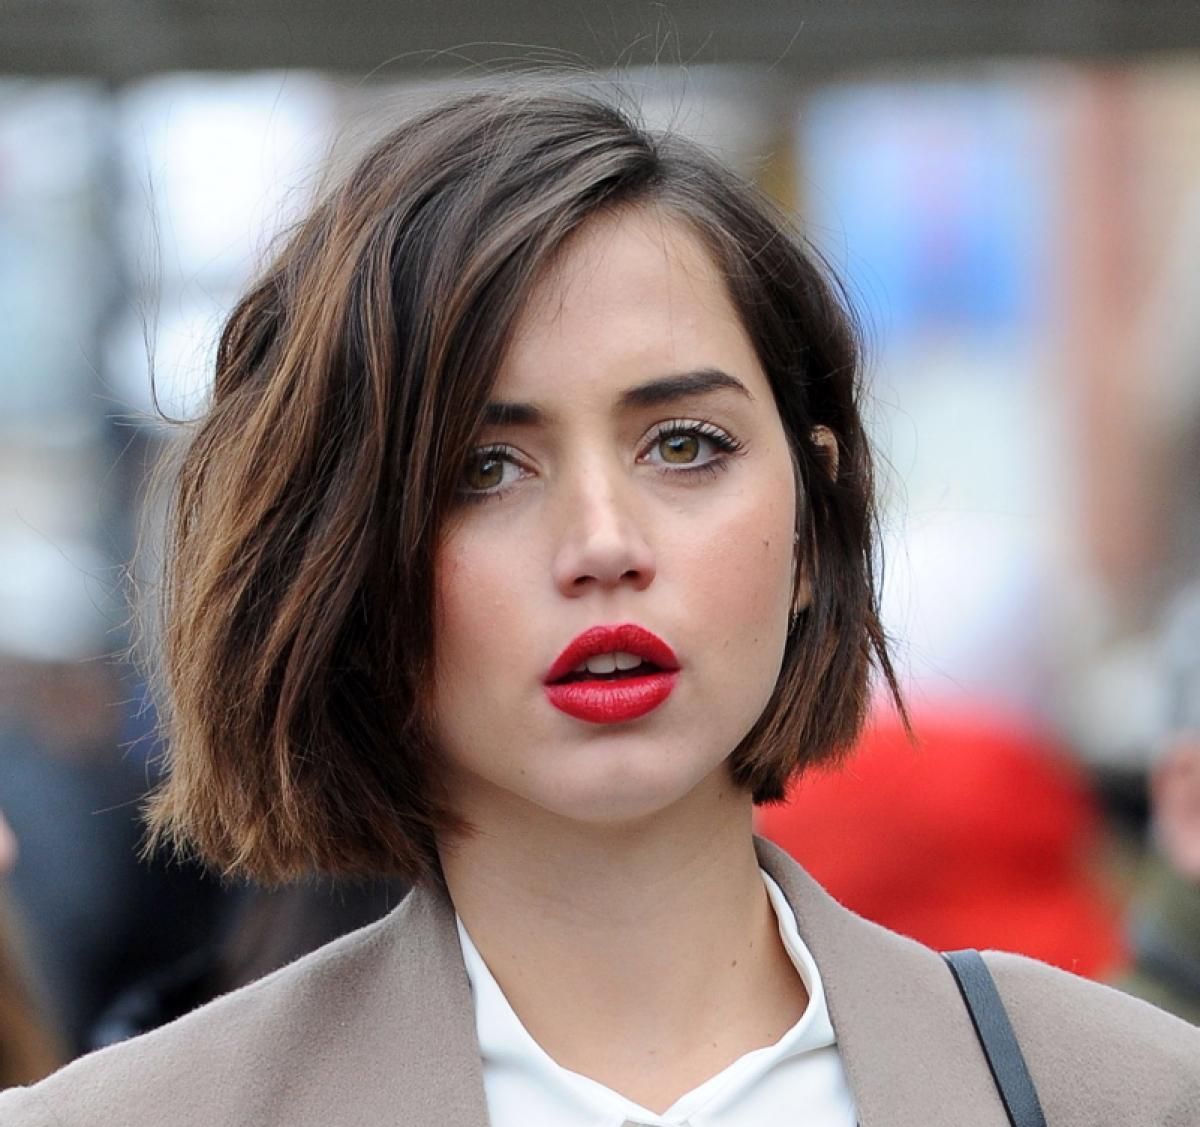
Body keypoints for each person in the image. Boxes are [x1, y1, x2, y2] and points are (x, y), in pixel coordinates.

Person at [2, 83, 1197, 1126]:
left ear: (811, 515)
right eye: (484, 467)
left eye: (685, 444)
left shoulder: (1121, 1090)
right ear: (346, 559)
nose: (604, 543)